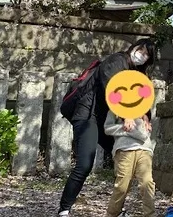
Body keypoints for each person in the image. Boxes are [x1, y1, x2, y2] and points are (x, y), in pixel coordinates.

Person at [58, 38, 155, 217]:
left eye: (147, 55)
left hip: (107, 120)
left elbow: (142, 96)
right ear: (133, 47)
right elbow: (111, 87)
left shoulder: (137, 73)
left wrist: (146, 116)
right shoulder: (117, 61)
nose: (142, 56)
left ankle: (116, 209)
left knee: (123, 161)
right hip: (89, 114)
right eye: (141, 50)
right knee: (85, 164)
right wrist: (126, 113)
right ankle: (64, 209)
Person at [104, 111, 155, 217]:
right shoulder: (115, 109)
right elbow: (107, 128)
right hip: (124, 149)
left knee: (147, 183)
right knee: (122, 186)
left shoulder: (144, 108)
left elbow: (145, 133)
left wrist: (143, 119)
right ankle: (111, 214)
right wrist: (126, 128)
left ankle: (150, 214)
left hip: (144, 149)